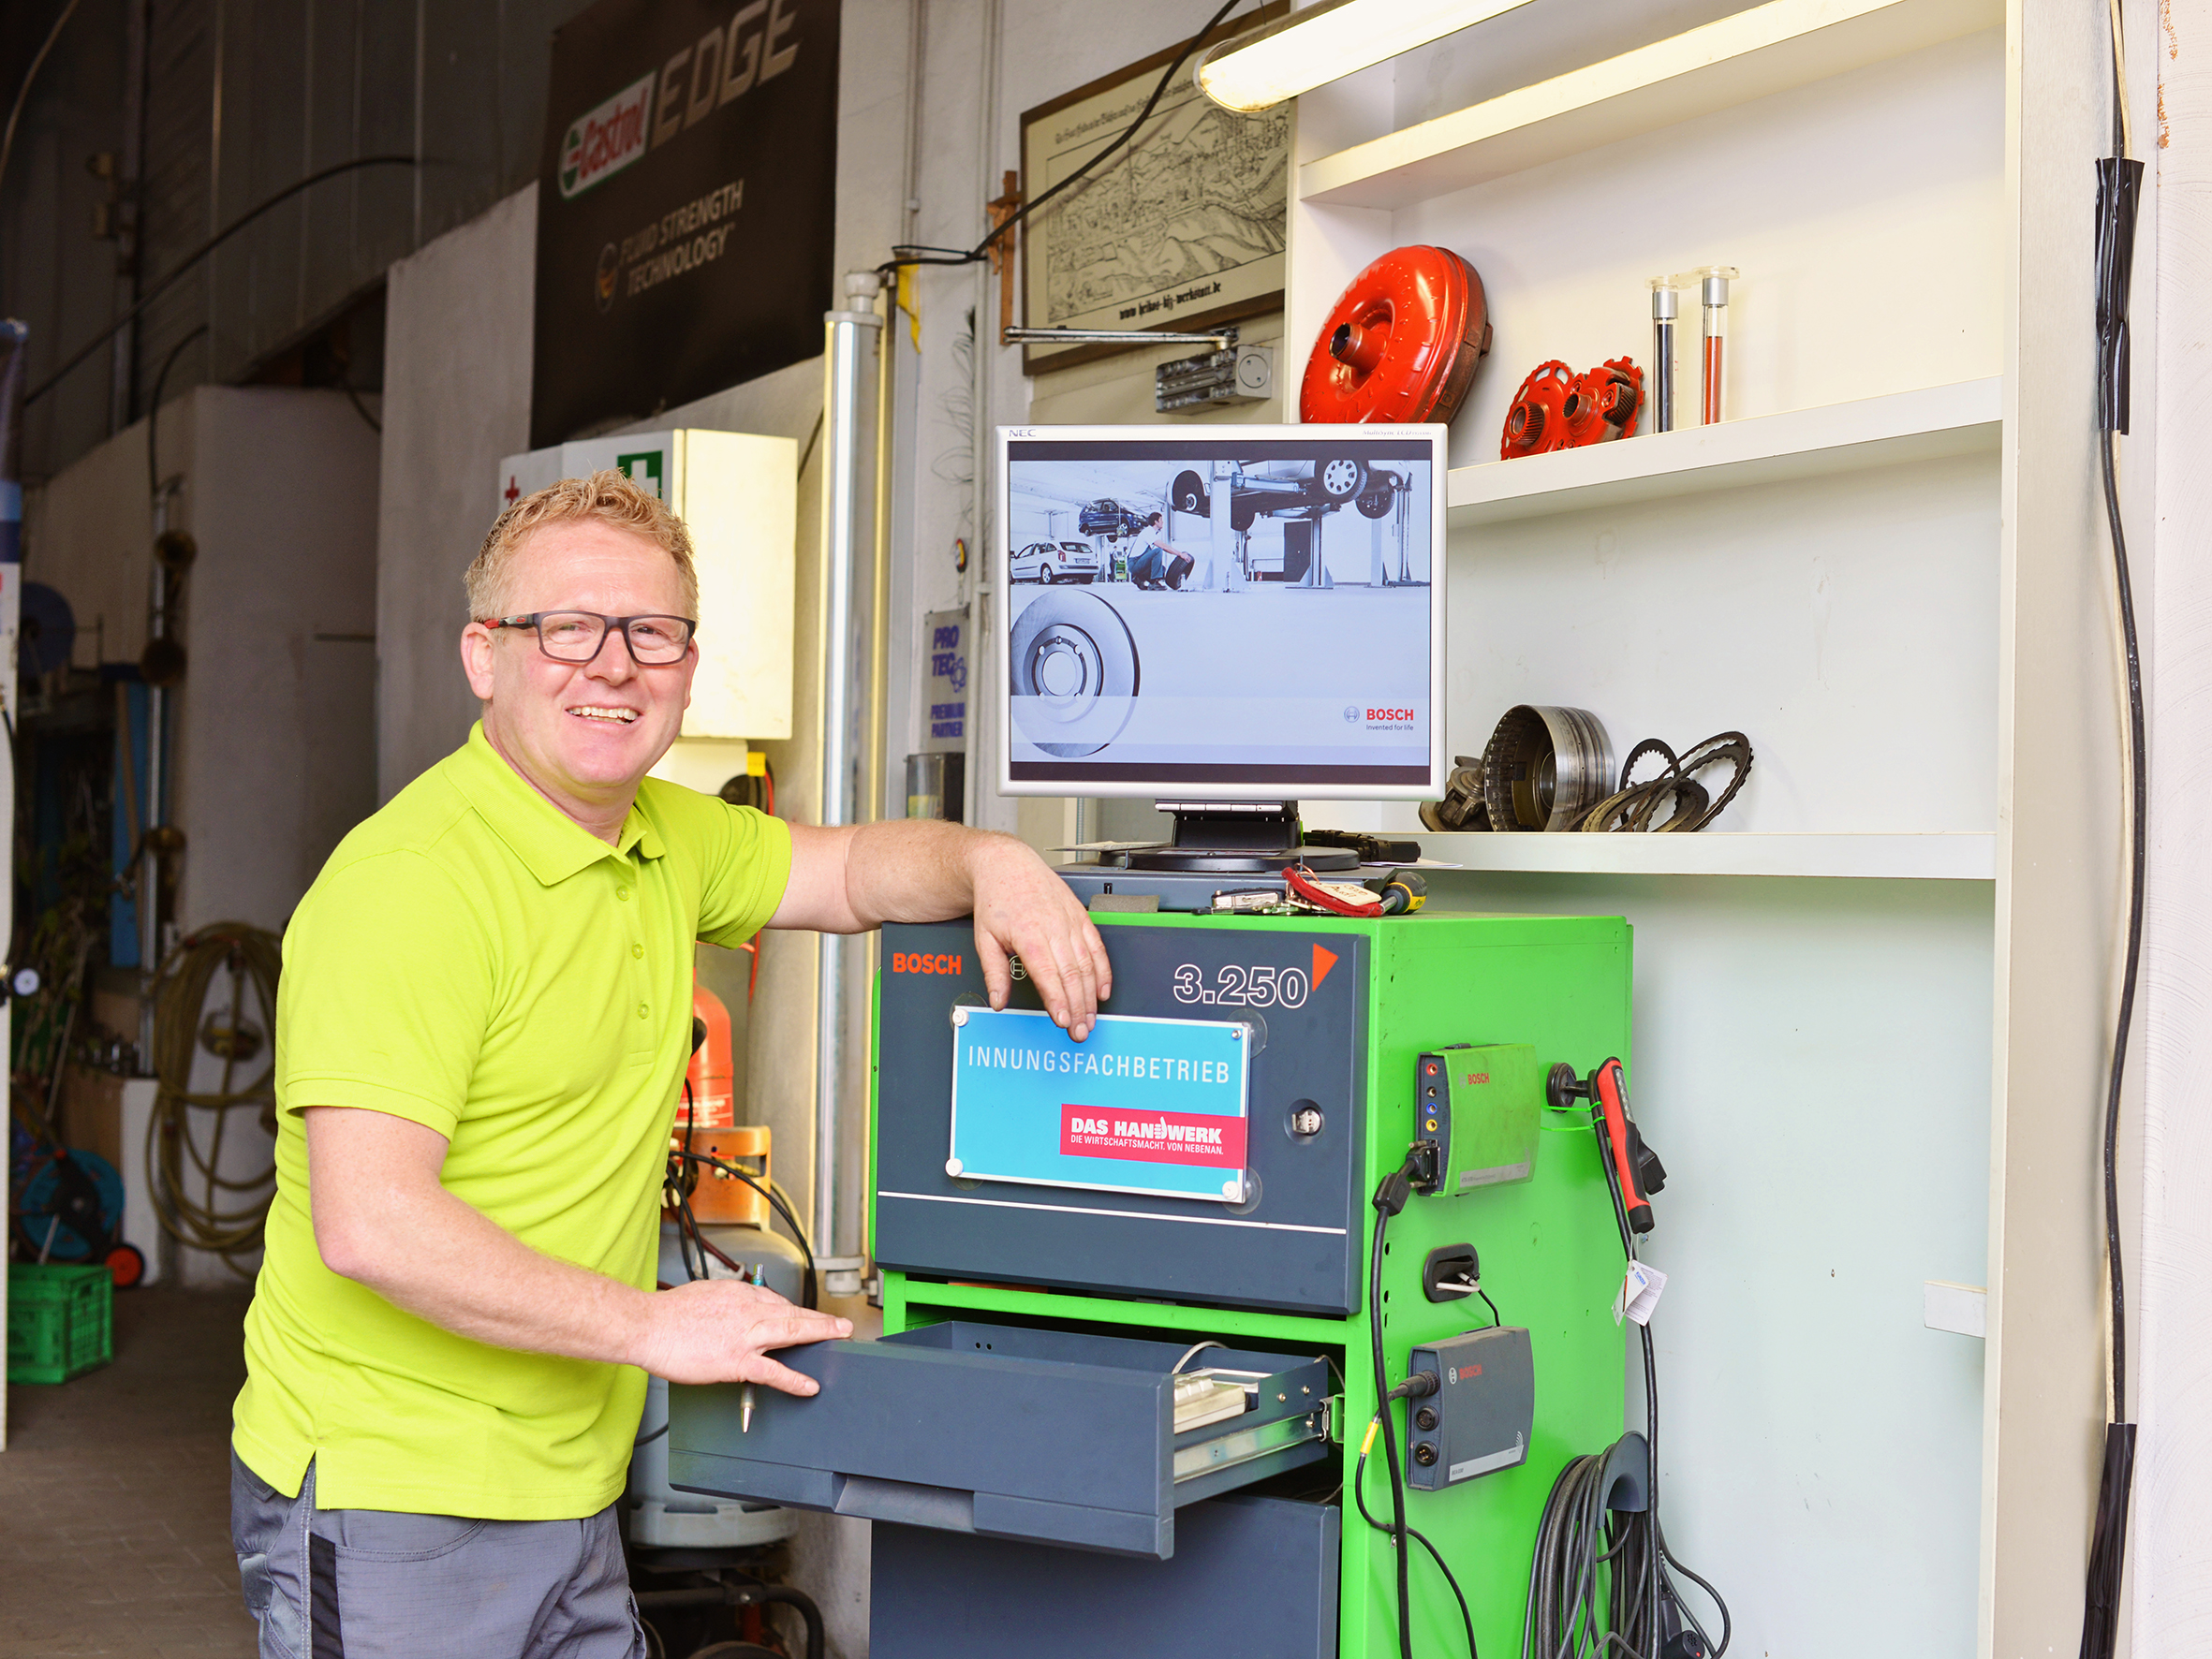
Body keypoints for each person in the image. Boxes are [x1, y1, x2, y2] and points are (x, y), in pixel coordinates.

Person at [229, 471, 1111, 1657]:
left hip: (568, 1487)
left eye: (650, 631)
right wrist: (651, 1324)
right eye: (566, 627)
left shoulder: (665, 833)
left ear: (688, 666)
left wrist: (993, 859)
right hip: (394, 1492)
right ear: (484, 656)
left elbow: (852, 870)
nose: (613, 664)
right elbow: (371, 1223)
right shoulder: (411, 886)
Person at [1127, 513, 1195, 590]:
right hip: (1134, 563)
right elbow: (1164, 547)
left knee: (1162, 570)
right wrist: (1180, 554)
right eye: (1161, 520)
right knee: (1157, 551)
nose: (1162, 522)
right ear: (1156, 522)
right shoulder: (1148, 532)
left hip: (1137, 562)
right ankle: (1154, 582)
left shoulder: (1151, 532)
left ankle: (1139, 579)